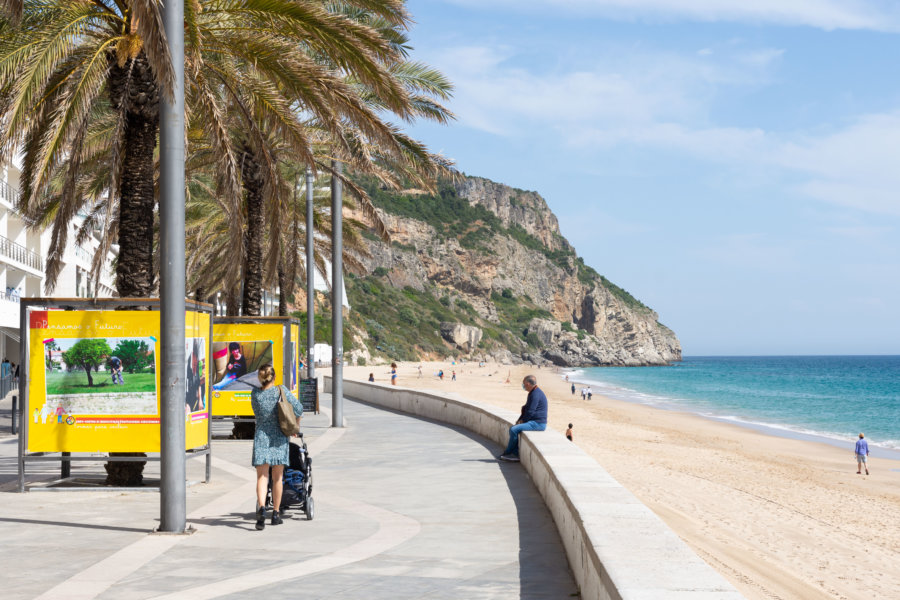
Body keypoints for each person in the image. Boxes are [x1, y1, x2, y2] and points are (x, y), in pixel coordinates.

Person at [251, 363, 303, 530]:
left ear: (260, 377)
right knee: (278, 477)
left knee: (262, 477)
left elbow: (257, 414)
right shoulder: (281, 391)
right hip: (279, 437)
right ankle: (275, 514)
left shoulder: (255, 394)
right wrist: (295, 427)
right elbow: (299, 409)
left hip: (261, 437)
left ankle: (261, 510)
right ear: (273, 377)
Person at [498, 375, 548, 462]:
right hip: (534, 421)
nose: (523, 386)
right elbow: (526, 408)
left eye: (524, 384)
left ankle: (511, 453)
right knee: (514, 428)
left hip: (538, 423)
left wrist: (523, 421)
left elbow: (531, 411)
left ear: (528, 384)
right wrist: (520, 420)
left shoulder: (535, 394)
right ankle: (512, 452)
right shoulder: (533, 392)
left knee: (513, 430)